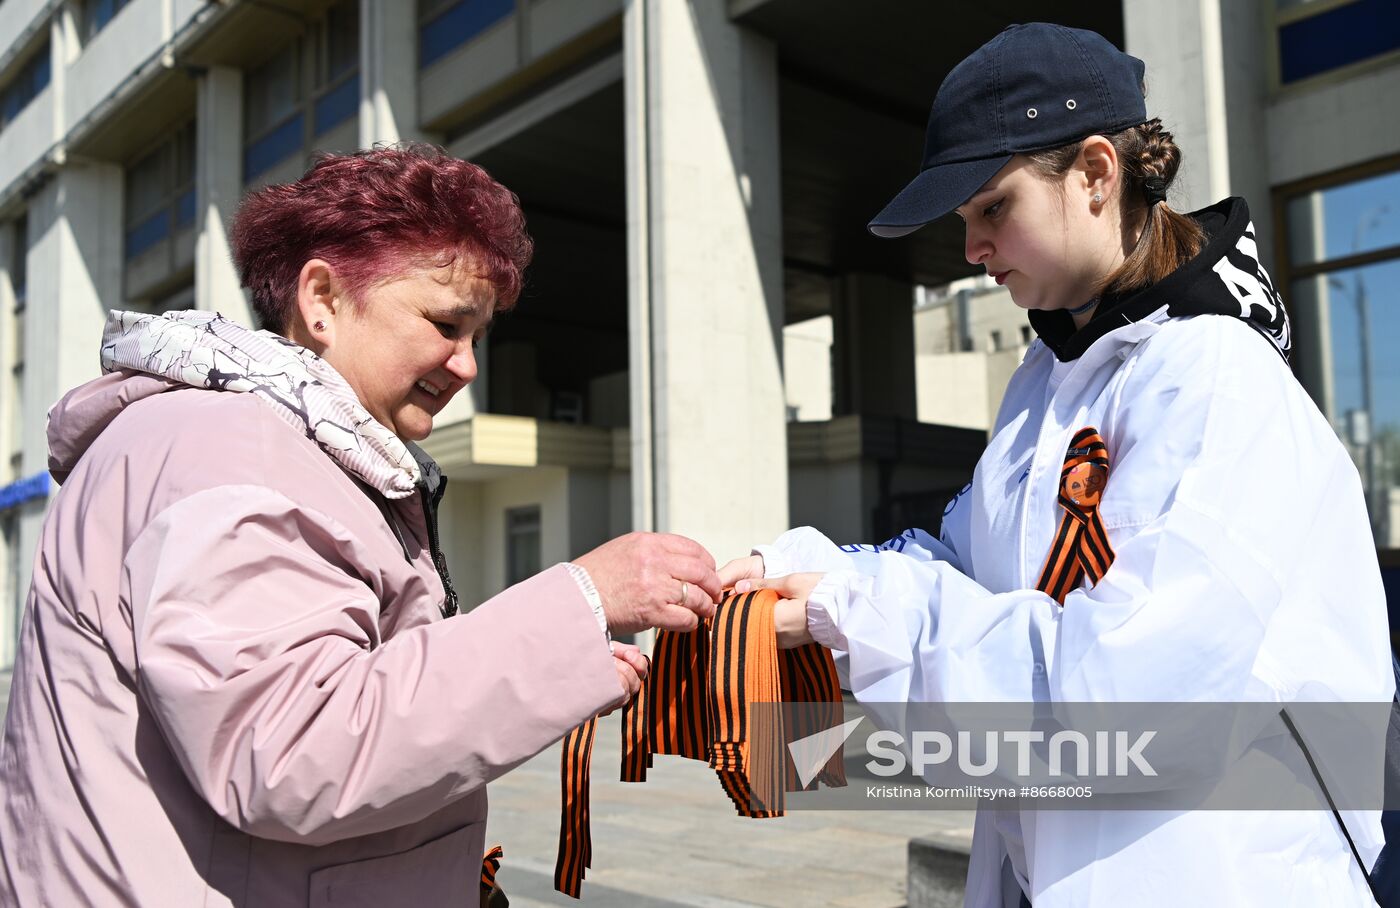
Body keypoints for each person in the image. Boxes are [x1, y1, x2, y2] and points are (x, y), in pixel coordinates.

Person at [720, 23, 1393, 906]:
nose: (971, 249)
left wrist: (859, 611)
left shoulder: (1220, 383)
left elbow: (1130, 700)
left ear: (1097, 174)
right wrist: (808, 572)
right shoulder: (1047, 381)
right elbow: (970, 569)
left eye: (992, 207)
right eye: (965, 222)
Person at [0, 145, 722, 906]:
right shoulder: (230, 454)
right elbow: (290, 750)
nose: (467, 364)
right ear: (322, 298)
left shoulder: (281, 449)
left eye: (479, 335)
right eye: (446, 323)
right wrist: (581, 601)